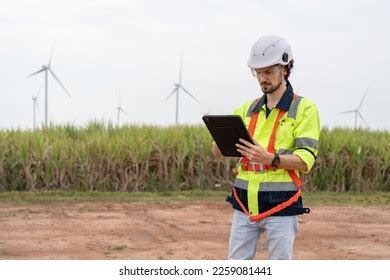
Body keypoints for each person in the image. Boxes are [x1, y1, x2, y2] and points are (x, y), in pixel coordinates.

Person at [212, 35, 321, 260]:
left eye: (268, 71)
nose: (262, 78)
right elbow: (218, 151)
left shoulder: (304, 108)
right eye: (258, 72)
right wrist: (220, 140)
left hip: (281, 205)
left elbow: (305, 159)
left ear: (286, 68)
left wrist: (270, 158)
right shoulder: (247, 108)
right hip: (243, 204)